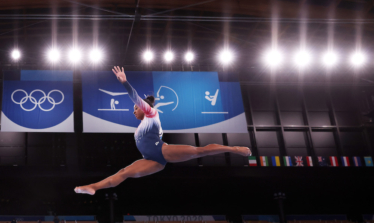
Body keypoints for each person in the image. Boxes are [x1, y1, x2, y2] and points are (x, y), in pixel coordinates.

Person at [74, 67, 251, 195]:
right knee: (123, 173)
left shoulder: (151, 113)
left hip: (162, 150)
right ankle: (93, 187)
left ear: (144, 107)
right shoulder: (138, 129)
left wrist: (124, 82)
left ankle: (234, 149)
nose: (133, 110)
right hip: (151, 161)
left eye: (136, 108)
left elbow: (135, 96)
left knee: (200, 151)